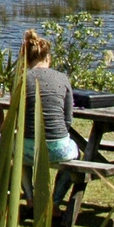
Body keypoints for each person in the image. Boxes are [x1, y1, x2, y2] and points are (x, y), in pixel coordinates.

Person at [19, 30, 80, 165]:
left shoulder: (21, 81)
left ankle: (28, 187)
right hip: (59, 148)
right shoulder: (62, 78)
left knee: (18, 155)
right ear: (47, 58)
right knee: (77, 151)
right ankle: (59, 187)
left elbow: (17, 117)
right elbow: (68, 120)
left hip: (27, 149)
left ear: (27, 58)